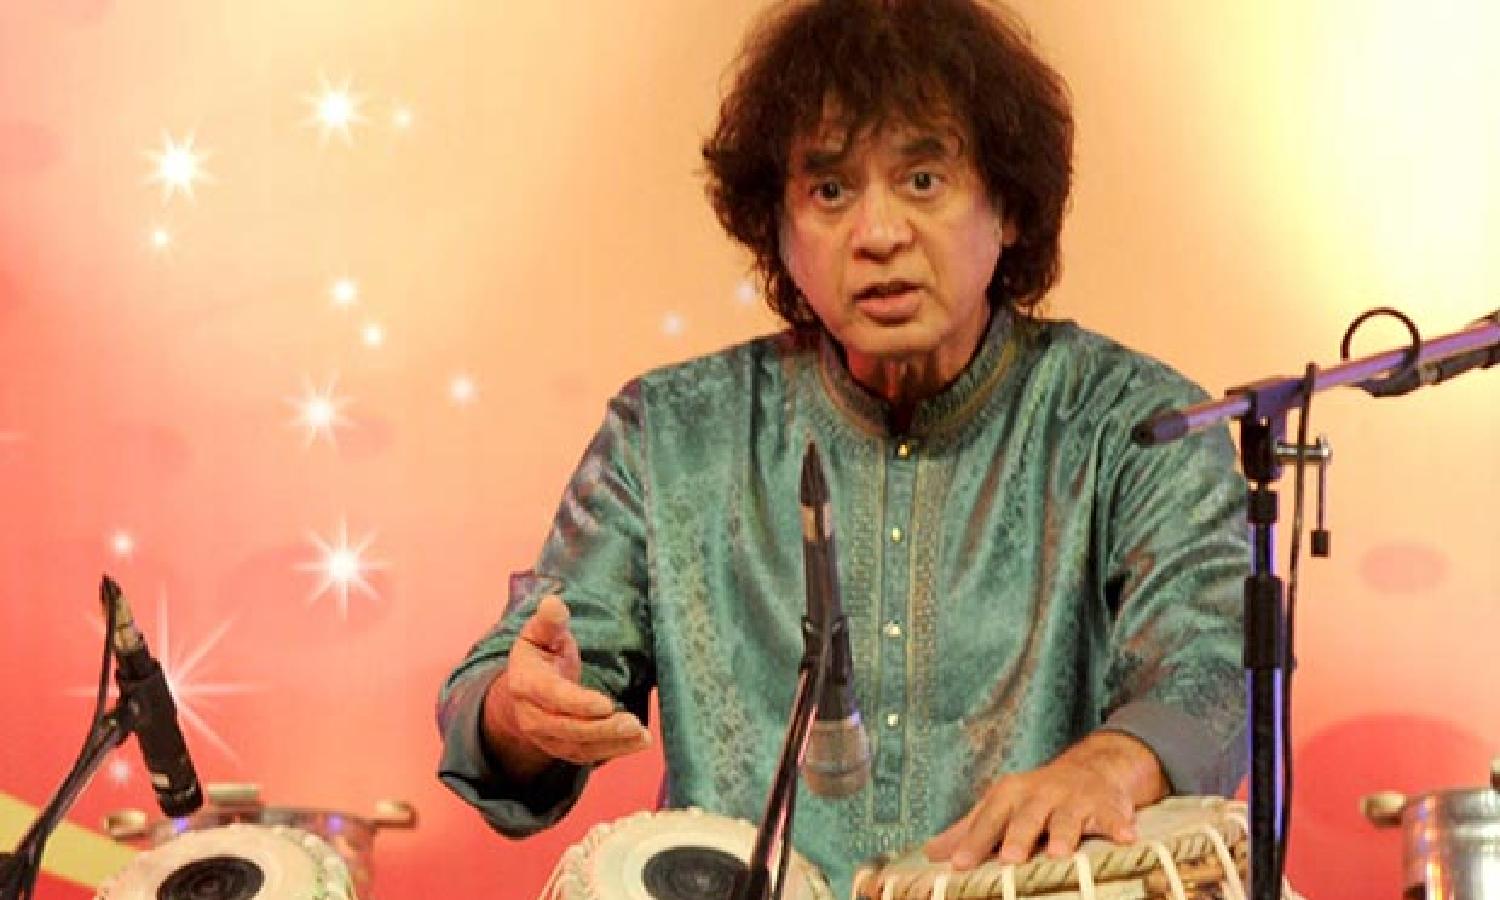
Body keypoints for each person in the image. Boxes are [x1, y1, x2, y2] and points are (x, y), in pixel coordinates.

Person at [437, 0, 1249, 895]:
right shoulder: (670, 436)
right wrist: (519, 709)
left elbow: (1214, 663)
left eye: (924, 180)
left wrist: (1110, 765)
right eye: (830, 192)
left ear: (1010, 206)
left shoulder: (1136, 426)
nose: (878, 234)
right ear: (778, 232)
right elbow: (508, 684)